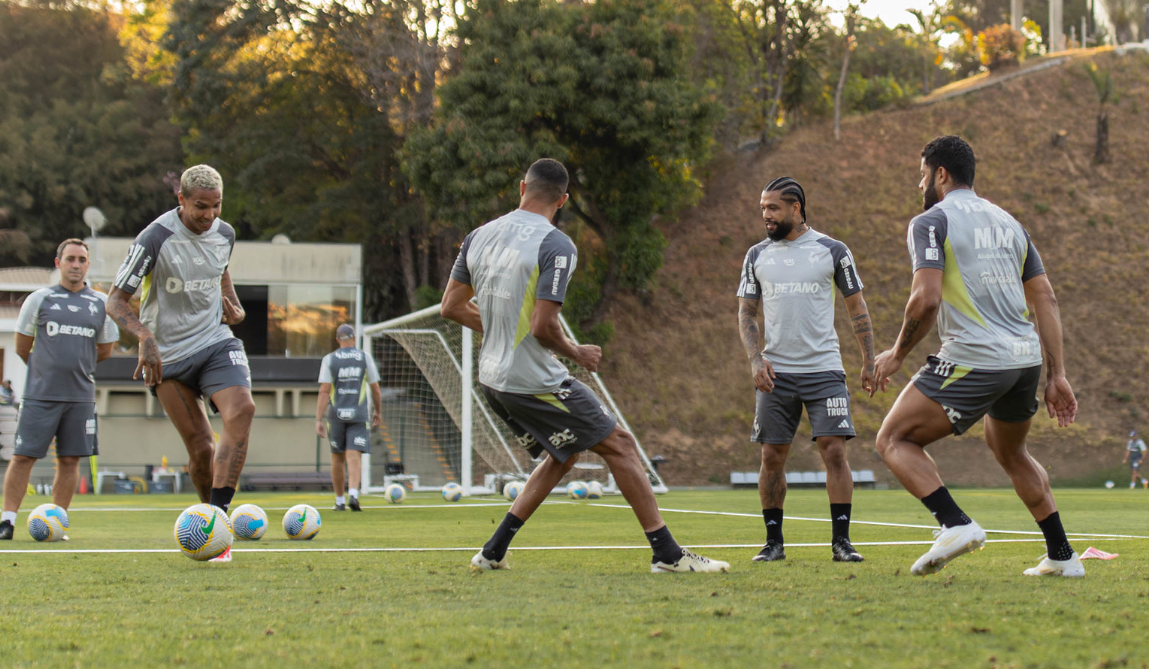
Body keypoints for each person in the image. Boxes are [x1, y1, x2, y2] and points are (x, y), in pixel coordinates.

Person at [441, 158, 728, 574]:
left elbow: (451, 306)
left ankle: (492, 551)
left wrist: (505, 331)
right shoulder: (556, 244)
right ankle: (668, 555)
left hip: (492, 379)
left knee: (563, 456)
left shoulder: (478, 236)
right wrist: (577, 352)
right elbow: (542, 326)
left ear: (522, 187)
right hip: (531, 379)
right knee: (622, 445)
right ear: (563, 200)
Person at [873, 135, 1081, 578]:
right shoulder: (1009, 223)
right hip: (1024, 361)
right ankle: (1063, 556)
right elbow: (1045, 296)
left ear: (940, 174)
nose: (920, 183)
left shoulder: (930, 221)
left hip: (975, 357)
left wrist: (896, 354)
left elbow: (925, 300)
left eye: (922, 173)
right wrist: (1056, 374)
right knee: (1011, 452)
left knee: (894, 440)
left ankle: (955, 525)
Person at [106, 164, 254, 562]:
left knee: (242, 409)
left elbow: (221, 271)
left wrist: (233, 306)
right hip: (167, 358)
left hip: (215, 342)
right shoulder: (155, 238)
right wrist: (145, 337)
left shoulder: (225, 233)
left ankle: (217, 520)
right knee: (202, 449)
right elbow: (115, 300)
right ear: (181, 200)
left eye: (216, 207)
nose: (209, 216)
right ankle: (211, 520)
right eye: (200, 207)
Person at [736, 177, 876, 563]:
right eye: (763, 208)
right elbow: (746, 312)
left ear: (796, 208)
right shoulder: (756, 255)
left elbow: (857, 307)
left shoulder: (833, 250)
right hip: (775, 374)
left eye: (773, 208)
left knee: (834, 452)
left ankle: (841, 542)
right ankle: (773, 543)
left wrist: (868, 359)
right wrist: (754, 359)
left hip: (824, 370)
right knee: (771, 458)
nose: (765, 215)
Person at [0, 239, 119, 540]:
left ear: (87, 265)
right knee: (23, 457)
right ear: (58, 263)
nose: (76, 264)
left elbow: (106, 349)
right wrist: (47, 369)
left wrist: (76, 366)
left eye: (81, 260)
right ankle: (6, 523)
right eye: (70, 259)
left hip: (80, 397)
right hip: (40, 395)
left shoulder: (100, 303)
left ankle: (58, 523)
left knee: (70, 460)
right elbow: (23, 346)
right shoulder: (40, 299)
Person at [315, 323, 382, 511]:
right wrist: (378, 410)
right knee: (354, 456)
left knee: (337, 458)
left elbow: (324, 391)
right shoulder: (364, 357)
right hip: (359, 414)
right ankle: (353, 493)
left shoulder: (329, 359)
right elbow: (375, 388)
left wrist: (318, 419)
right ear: (354, 339)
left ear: (338, 340)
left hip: (336, 415)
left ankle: (339, 501)